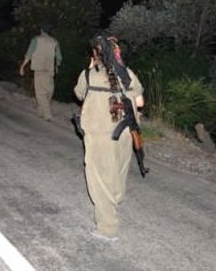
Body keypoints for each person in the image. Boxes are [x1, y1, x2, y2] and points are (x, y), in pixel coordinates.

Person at [73, 35, 145, 242]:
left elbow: (79, 95)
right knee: (118, 170)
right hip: (125, 132)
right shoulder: (129, 74)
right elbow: (139, 103)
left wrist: (90, 67)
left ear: (96, 54)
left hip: (99, 135)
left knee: (99, 179)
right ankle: (115, 198)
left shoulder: (88, 75)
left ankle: (107, 228)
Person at [19, 24, 62, 121]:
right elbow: (59, 57)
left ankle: (47, 114)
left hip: (39, 69)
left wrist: (22, 66)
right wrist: (57, 66)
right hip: (50, 70)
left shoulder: (36, 40)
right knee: (49, 91)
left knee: (41, 93)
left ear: (41, 30)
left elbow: (29, 54)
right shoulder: (55, 42)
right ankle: (41, 110)